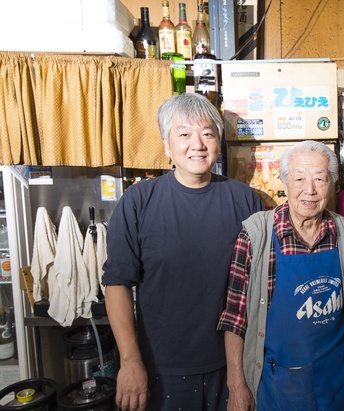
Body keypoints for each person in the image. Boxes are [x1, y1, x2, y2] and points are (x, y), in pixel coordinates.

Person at [102, 93, 264, 411]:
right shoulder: (137, 201)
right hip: (160, 367)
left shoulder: (245, 201)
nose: (197, 144)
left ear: (218, 142)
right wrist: (130, 361)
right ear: (167, 145)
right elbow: (117, 283)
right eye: (184, 134)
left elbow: (257, 289)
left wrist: (241, 375)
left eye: (207, 133)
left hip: (233, 367)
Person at [217, 140, 344, 411]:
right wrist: (237, 386)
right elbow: (235, 319)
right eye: (299, 178)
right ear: (286, 182)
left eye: (320, 179)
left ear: (332, 184)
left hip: (338, 384)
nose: (310, 190)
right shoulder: (256, 236)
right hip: (277, 386)